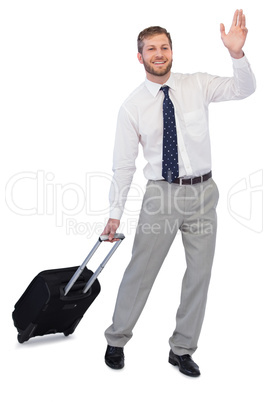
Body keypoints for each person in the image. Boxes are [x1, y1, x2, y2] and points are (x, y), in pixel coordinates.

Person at [101, 10, 256, 377]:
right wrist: (114, 212)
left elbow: (244, 89)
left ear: (172, 52)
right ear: (140, 56)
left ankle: (182, 349)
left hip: (204, 193)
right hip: (161, 196)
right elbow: (123, 165)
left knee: (199, 274)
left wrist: (236, 54)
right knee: (142, 271)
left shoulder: (196, 84)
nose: (159, 53)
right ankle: (116, 339)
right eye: (151, 48)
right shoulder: (132, 106)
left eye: (165, 47)